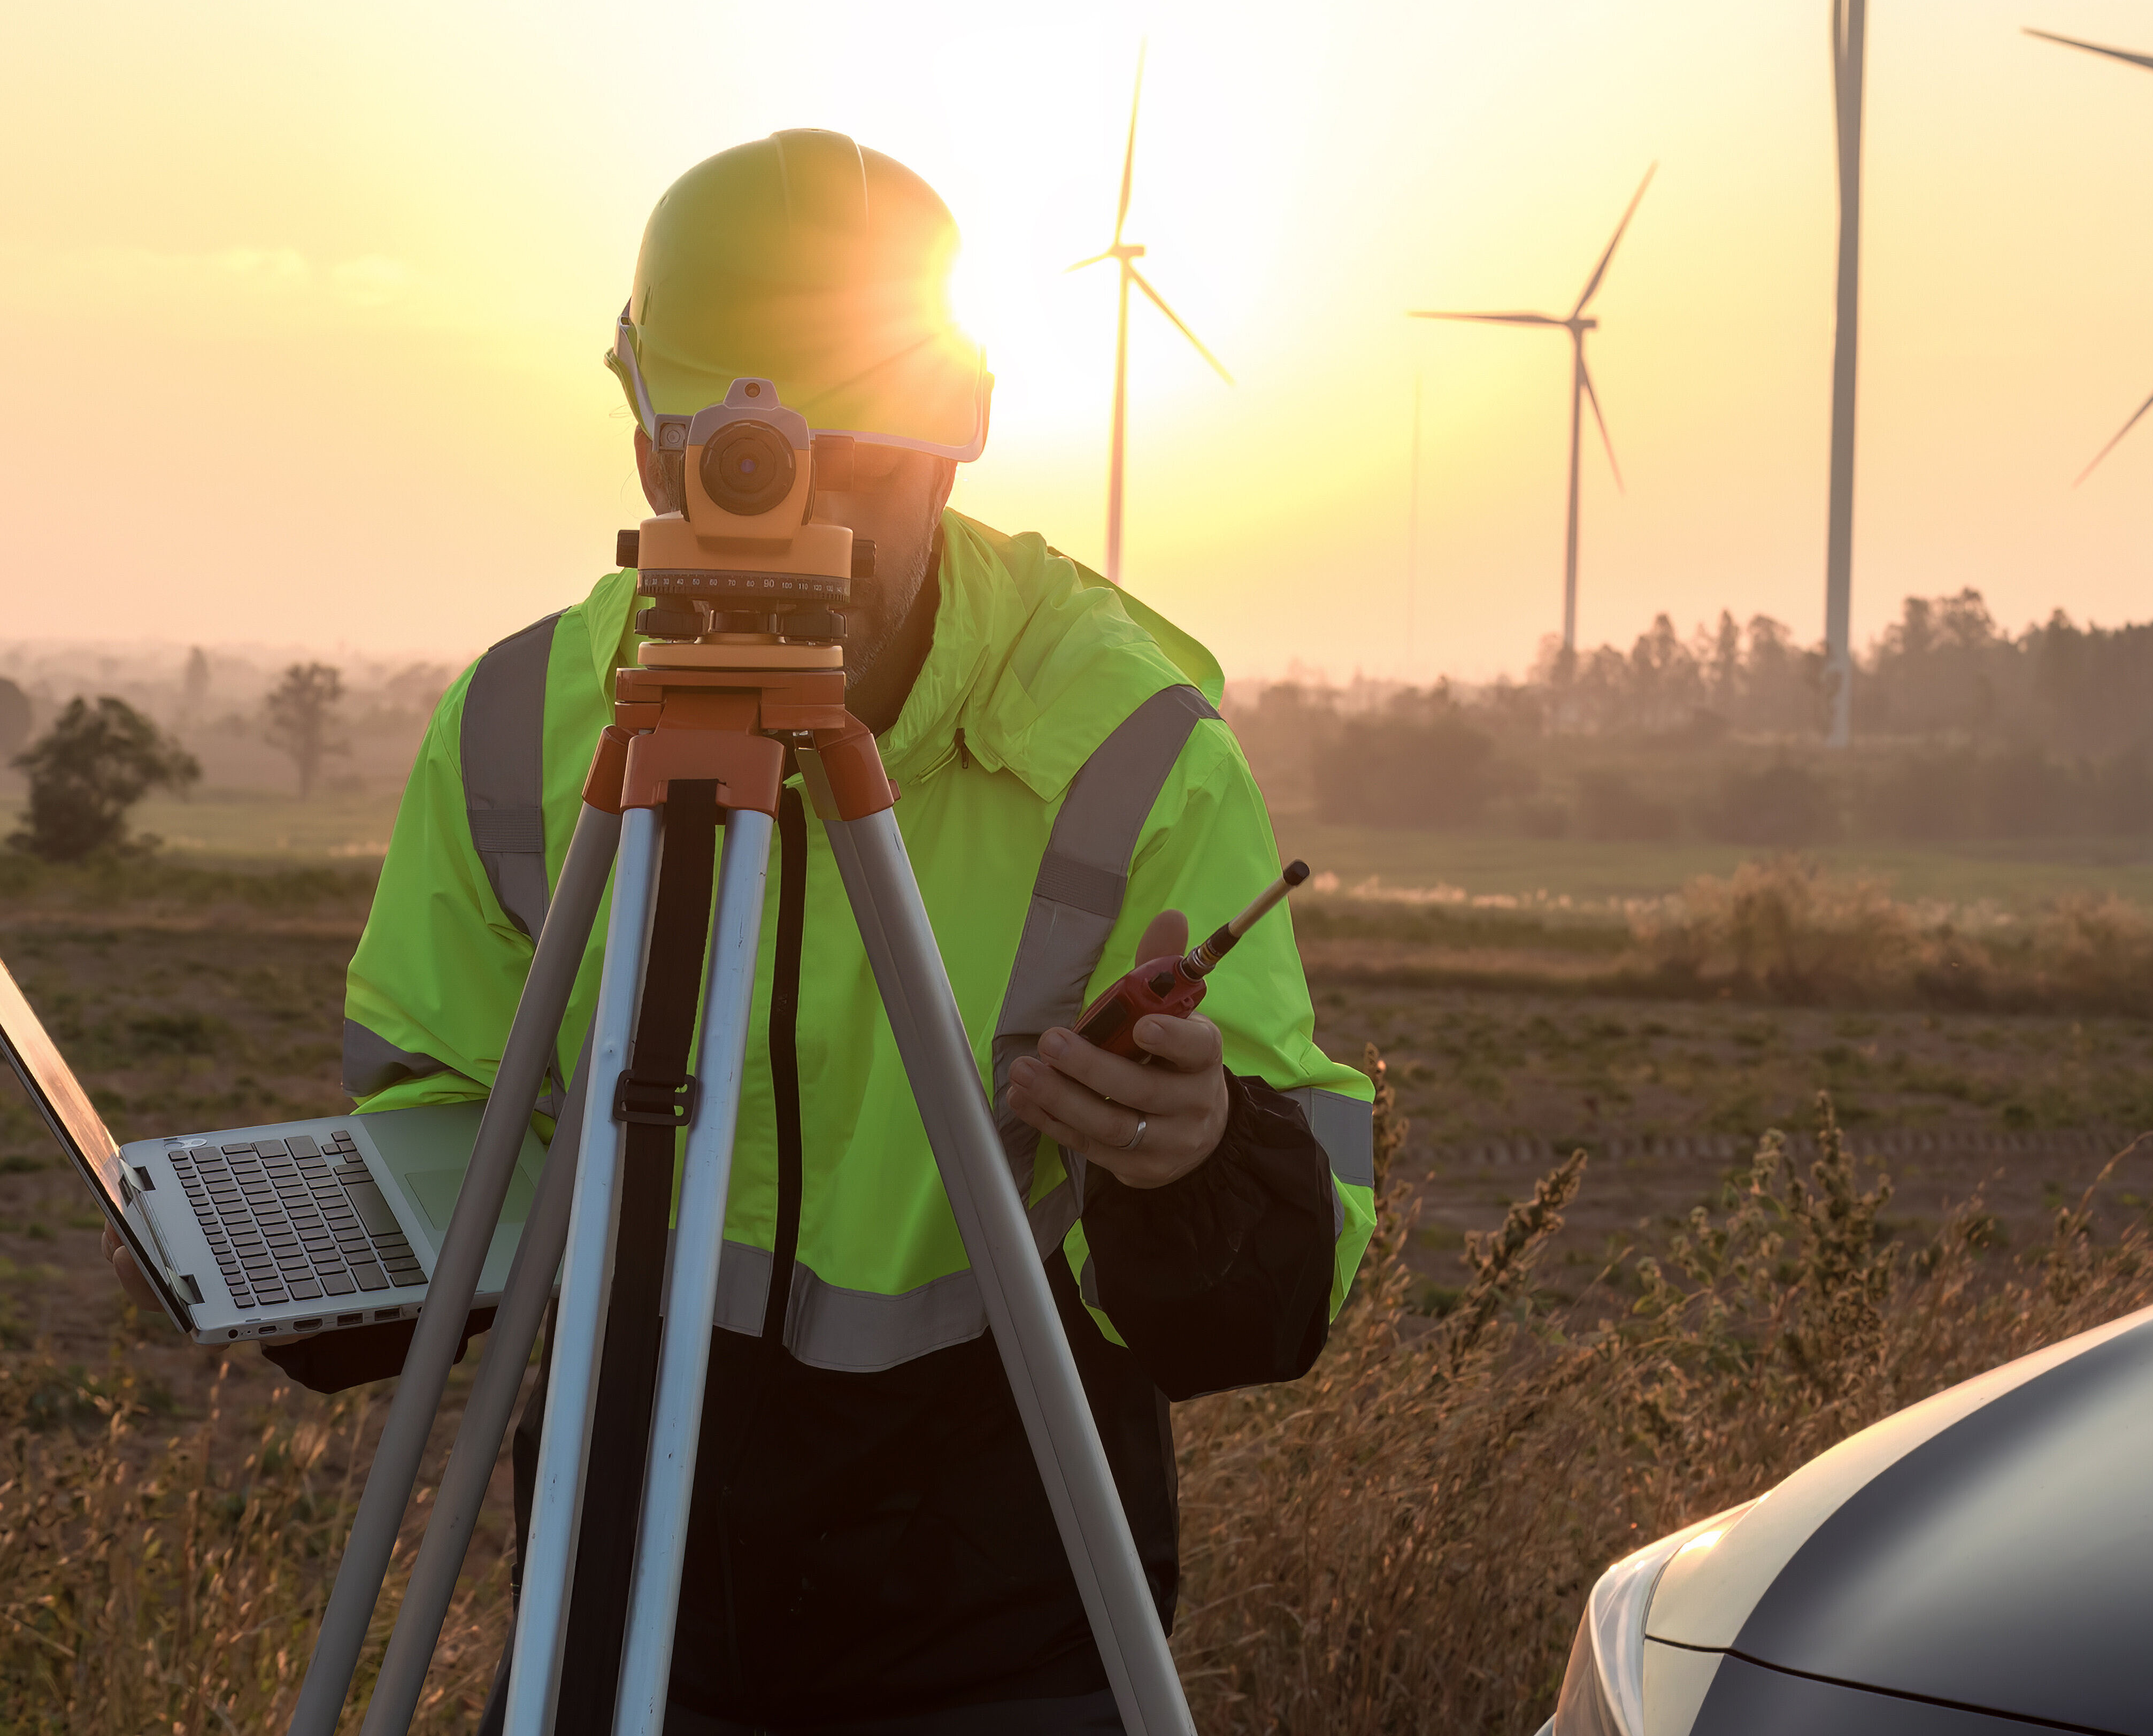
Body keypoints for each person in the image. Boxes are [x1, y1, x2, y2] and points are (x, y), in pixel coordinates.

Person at [115, 130, 1375, 1734]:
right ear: (645, 444)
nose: (786, 531)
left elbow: (1269, 1298)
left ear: (954, 446)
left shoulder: (1123, 751)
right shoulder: (525, 728)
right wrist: (265, 1248)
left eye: (837, 469)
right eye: (715, 461)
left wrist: (1190, 1160)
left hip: (1003, 1611)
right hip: (625, 1567)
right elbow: (450, 1139)